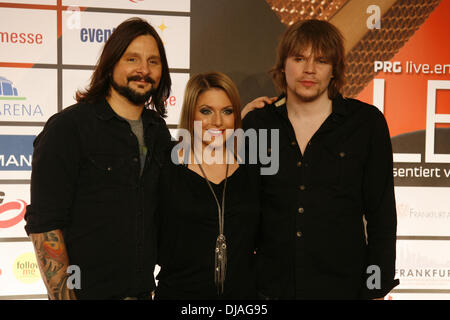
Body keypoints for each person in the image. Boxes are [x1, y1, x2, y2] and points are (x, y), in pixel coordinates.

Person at [242, 19, 399, 299]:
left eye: (322, 60)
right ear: (283, 64)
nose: (309, 69)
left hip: (344, 289)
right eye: (299, 58)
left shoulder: (366, 124)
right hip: (269, 290)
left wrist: (376, 287)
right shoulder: (257, 124)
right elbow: (240, 210)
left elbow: (382, 216)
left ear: (334, 70)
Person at [24, 17, 172, 299]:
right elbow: (45, 226)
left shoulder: (158, 132)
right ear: (112, 62)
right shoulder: (68, 128)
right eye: (132, 59)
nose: (143, 70)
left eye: (153, 61)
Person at [154, 72, 260, 299]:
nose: (217, 122)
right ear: (190, 114)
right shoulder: (167, 165)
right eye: (206, 111)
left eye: (227, 111)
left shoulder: (252, 167)